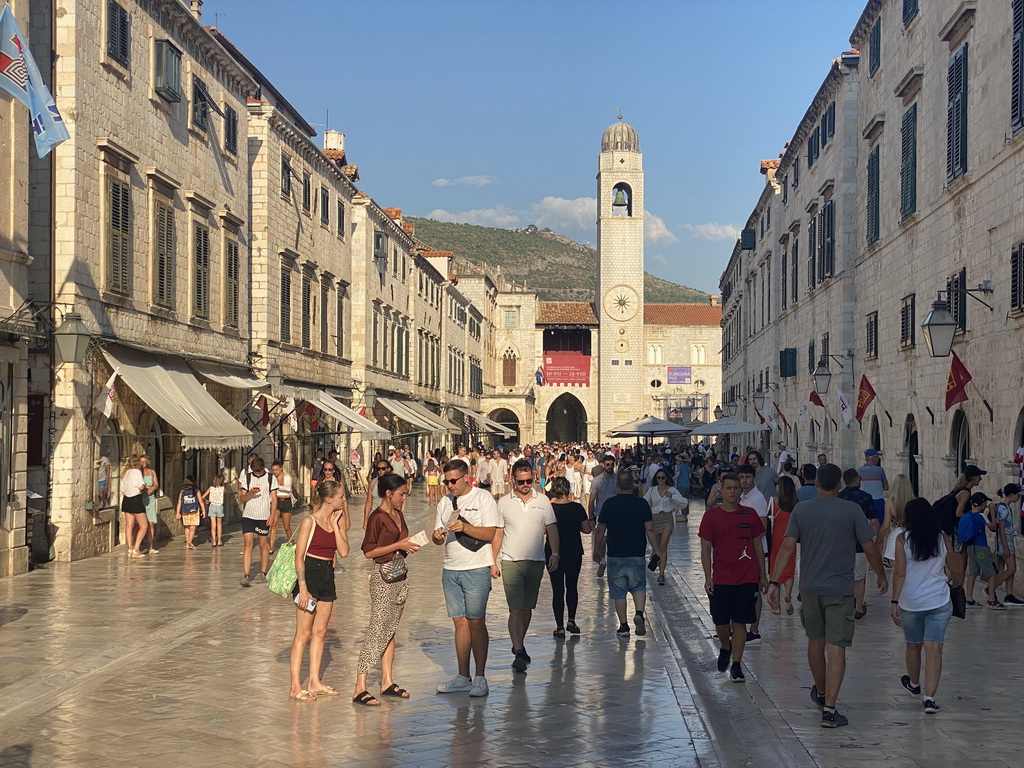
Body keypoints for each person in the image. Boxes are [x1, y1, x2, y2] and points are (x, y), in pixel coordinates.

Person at [767, 463, 888, 729]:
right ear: (840, 485)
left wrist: (774, 581)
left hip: (810, 587)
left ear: (818, 483)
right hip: (840, 588)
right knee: (837, 647)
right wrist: (880, 574)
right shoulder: (852, 510)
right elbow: (869, 546)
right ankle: (830, 709)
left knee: (814, 641)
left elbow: (787, 546)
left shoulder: (802, 510)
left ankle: (821, 693)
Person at [433, 459, 502, 698]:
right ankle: (463, 676)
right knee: (459, 622)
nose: (450, 485)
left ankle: (481, 677)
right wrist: (437, 535)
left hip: (476, 566)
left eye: (453, 481)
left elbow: (491, 532)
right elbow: (437, 537)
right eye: (447, 481)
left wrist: (465, 528)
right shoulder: (444, 502)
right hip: (450, 568)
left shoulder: (483, 498)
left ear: (466, 477)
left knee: (476, 622)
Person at [352, 473, 422, 706]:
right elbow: (369, 551)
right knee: (376, 629)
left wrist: (408, 546)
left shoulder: (399, 514)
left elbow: (400, 542)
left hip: (401, 574)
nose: (404, 498)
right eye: (401, 494)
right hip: (383, 578)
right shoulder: (377, 518)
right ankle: (360, 686)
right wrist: (398, 545)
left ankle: (387, 681)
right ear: (388, 494)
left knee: (390, 629)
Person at [890, 497, 958, 715]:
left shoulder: (902, 540)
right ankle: (929, 699)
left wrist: (894, 601)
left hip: (911, 601)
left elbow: (899, 573)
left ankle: (915, 683)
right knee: (934, 647)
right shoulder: (942, 538)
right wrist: (953, 582)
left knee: (913, 645)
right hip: (938, 599)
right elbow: (955, 567)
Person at [699, 472, 767, 683]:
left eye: (736, 488)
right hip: (721, 577)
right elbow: (705, 548)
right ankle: (725, 647)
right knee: (721, 622)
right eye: (728, 488)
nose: (733, 492)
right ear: (721, 490)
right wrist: (708, 577)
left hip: (746, 576)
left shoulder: (750, 514)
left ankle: (736, 665)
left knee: (740, 622)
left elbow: (757, 545)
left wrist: (762, 576)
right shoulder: (711, 516)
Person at [493, 461, 559, 672]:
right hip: (510, 560)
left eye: (529, 481)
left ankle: (518, 644)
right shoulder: (503, 503)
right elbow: (498, 533)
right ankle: (520, 649)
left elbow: (552, 528)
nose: (525, 485)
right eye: (521, 481)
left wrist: (555, 553)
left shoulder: (543, 500)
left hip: (536, 560)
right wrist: (492, 561)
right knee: (515, 607)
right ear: (513, 479)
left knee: (528, 607)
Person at [288, 479, 350, 701]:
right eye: (341, 496)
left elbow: (343, 552)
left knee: (321, 632)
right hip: (310, 576)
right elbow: (299, 557)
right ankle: (295, 686)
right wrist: (303, 588)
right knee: (303, 634)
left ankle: (314, 681)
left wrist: (335, 526)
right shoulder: (309, 521)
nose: (344, 499)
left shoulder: (337, 520)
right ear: (329, 499)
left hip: (327, 575)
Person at [593, 470, 662, 637]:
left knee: (618, 591)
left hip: (615, 554)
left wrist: (597, 550)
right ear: (633, 485)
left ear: (617, 486)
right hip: (636, 553)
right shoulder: (642, 504)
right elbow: (650, 528)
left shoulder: (609, 504)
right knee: (638, 586)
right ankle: (638, 613)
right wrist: (656, 549)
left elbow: (600, 529)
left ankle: (623, 626)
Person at [546, 476, 593, 638]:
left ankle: (559, 627)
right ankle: (571, 621)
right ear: (568, 490)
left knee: (557, 589)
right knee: (571, 586)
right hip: (574, 551)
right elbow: (587, 530)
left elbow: (543, 531)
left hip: (552, 553)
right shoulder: (577, 508)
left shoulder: (549, 509)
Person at [838, 469, 881, 620]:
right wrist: (873, 538)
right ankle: (858, 607)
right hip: (860, 544)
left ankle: (846, 604)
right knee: (859, 577)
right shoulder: (866, 498)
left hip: (841, 544)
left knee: (844, 576)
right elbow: (874, 521)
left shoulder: (838, 497)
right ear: (858, 480)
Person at [932, 464, 986, 584]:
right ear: (973, 478)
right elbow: (958, 513)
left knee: (957, 568)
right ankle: (955, 594)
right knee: (960, 568)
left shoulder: (959, 490)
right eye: (979, 476)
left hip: (954, 531)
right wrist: (972, 517)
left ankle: (945, 587)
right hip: (957, 533)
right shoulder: (965, 493)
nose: (980, 479)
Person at [962, 493, 1011, 609]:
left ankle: (968, 599)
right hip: (981, 547)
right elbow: (994, 527)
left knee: (973, 572)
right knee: (992, 573)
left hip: (970, 547)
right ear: (983, 503)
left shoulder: (968, 514)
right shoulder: (981, 516)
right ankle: (991, 600)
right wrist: (993, 513)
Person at [737, 464, 769, 642]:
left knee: (754, 590)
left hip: (754, 551)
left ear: (753, 478)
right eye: (741, 477)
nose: (744, 480)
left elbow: (762, 526)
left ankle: (754, 629)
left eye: (747, 477)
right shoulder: (742, 497)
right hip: (744, 551)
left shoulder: (757, 499)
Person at [238, 456, 279, 587]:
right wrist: (250, 493)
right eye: (255, 472)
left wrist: (272, 515)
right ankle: (246, 575)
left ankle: (263, 572)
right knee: (248, 543)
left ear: (262, 469)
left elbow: (274, 498)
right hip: (249, 515)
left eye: (259, 472)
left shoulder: (270, 478)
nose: (257, 474)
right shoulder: (247, 478)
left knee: (263, 544)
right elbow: (242, 499)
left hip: (263, 515)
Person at [644, 468, 687, 585]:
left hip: (667, 518)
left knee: (663, 546)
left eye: (663, 478)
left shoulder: (672, 490)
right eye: (658, 478)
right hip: (654, 519)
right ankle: (655, 556)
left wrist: (672, 496)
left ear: (666, 478)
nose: (660, 480)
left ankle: (661, 574)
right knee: (657, 547)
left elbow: (684, 502)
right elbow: (644, 502)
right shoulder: (652, 490)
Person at [769, 476, 798, 614]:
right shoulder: (796, 505)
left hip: (776, 539)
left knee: (776, 567)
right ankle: (788, 594)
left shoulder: (774, 502)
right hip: (790, 538)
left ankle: (777, 606)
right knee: (789, 567)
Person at [994, 484, 1022, 604]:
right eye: (1017, 495)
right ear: (1011, 495)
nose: (1019, 498)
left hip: (1007, 541)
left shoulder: (1004, 507)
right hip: (1005, 542)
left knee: (1010, 569)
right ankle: (990, 588)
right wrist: (1005, 546)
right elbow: (1001, 528)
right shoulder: (1003, 509)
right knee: (1011, 568)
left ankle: (1009, 595)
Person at [877, 474, 915, 562]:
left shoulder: (890, 503)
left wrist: (878, 540)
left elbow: (886, 526)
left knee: (897, 569)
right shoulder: (914, 501)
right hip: (912, 534)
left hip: (897, 534)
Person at [121, 456, 149, 557]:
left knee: (129, 525)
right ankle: (136, 549)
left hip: (126, 499)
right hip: (135, 499)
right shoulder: (137, 472)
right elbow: (141, 486)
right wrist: (145, 488)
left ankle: (130, 547)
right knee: (144, 526)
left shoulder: (127, 472)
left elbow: (123, 488)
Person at [857, 449, 890, 525]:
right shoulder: (879, 470)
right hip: (877, 500)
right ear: (873, 458)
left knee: (862, 523)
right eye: (877, 457)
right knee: (880, 523)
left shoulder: (858, 470)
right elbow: (886, 487)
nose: (878, 459)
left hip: (863, 501)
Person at [269, 460, 295, 550]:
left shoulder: (287, 477)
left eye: (276, 470)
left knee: (286, 526)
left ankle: (290, 544)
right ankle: (271, 547)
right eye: (273, 470)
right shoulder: (272, 478)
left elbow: (288, 488)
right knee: (274, 524)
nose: (275, 472)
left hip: (286, 501)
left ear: (280, 469)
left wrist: (276, 487)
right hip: (276, 501)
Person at [174, 475, 205, 549]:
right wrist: (203, 511)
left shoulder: (183, 491)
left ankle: (187, 543)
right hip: (194, 511)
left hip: (185, 511)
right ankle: (190, 542)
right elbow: (200, 501)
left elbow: (179, 502)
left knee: (187, 527)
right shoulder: (196, 491)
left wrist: (178, 512)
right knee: (193, 527)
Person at [139, 455, 160, 554]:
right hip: (140, 499)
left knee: (151, 523)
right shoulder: (138, 473)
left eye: (145, 461)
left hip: (150, 498)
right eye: (141, 461)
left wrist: (153, 488)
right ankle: (136, 546)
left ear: (148, 462)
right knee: (139, 524)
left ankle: (150, 546)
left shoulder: (152, 472)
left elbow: (156, 484)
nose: (143, 463)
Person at [363, 460, 393, 529]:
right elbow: (369, 502)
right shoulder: (373, 482)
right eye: (378, 469)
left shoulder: (393, 483)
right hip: (375, 517)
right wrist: (365, 520)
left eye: (383, 469)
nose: (381, 471)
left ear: (388, 469)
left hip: (389, 517)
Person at [203, 474, 226, 547]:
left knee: (213, 525)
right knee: (219, 525)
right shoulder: (223, 489)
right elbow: (225, 492)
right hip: (219, 506)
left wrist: (206, 500)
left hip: (212, 506)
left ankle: (213, 541)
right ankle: (219, 541)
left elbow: (202, 497)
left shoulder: (211, 488)